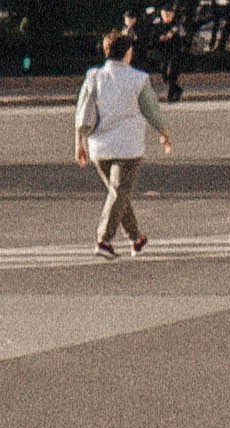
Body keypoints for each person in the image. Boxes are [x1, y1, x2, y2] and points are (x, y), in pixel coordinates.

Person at [73, 26, 171, 256]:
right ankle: (104, 241)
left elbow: (83, 113)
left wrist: (79, 143)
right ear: (127, 52)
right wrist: (164, 133)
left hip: (99, 148)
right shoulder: (138, 79)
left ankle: (136, 238)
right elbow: (151, 111)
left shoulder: (94, 77)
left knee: (118, 194)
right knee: (118, 193)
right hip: (128, 148)